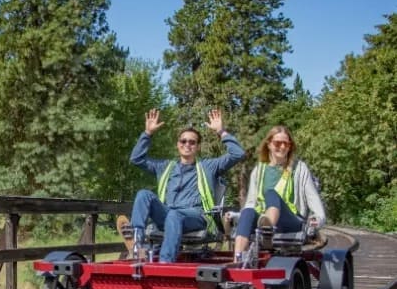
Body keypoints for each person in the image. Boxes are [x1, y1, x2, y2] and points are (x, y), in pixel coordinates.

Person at [129, 108, 245, 262]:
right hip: (167, 215)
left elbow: (238, 153)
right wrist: (147, 134)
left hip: (196, 217)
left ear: (197, 147)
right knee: (144, 194)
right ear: (178, 145)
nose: (187, 144)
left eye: (192, 142)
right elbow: (136, 159)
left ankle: (165, 263)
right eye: (183, 141)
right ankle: (137, 243)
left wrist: (221, 131)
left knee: (175, 214)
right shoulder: (165, 166)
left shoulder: (208, 166)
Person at [233, 125, 325, 262]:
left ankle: (268, 229)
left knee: (271, 193)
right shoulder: (259, 170)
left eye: (286, 144)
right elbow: (252, 202)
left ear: (290, 146)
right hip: (262, 219)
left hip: (291, 220)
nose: (282, 147)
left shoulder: (299, 168)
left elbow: (315, 204)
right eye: (277, 143)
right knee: (247, 211)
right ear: (269, 145)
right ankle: (238, 259)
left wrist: (316, 222)